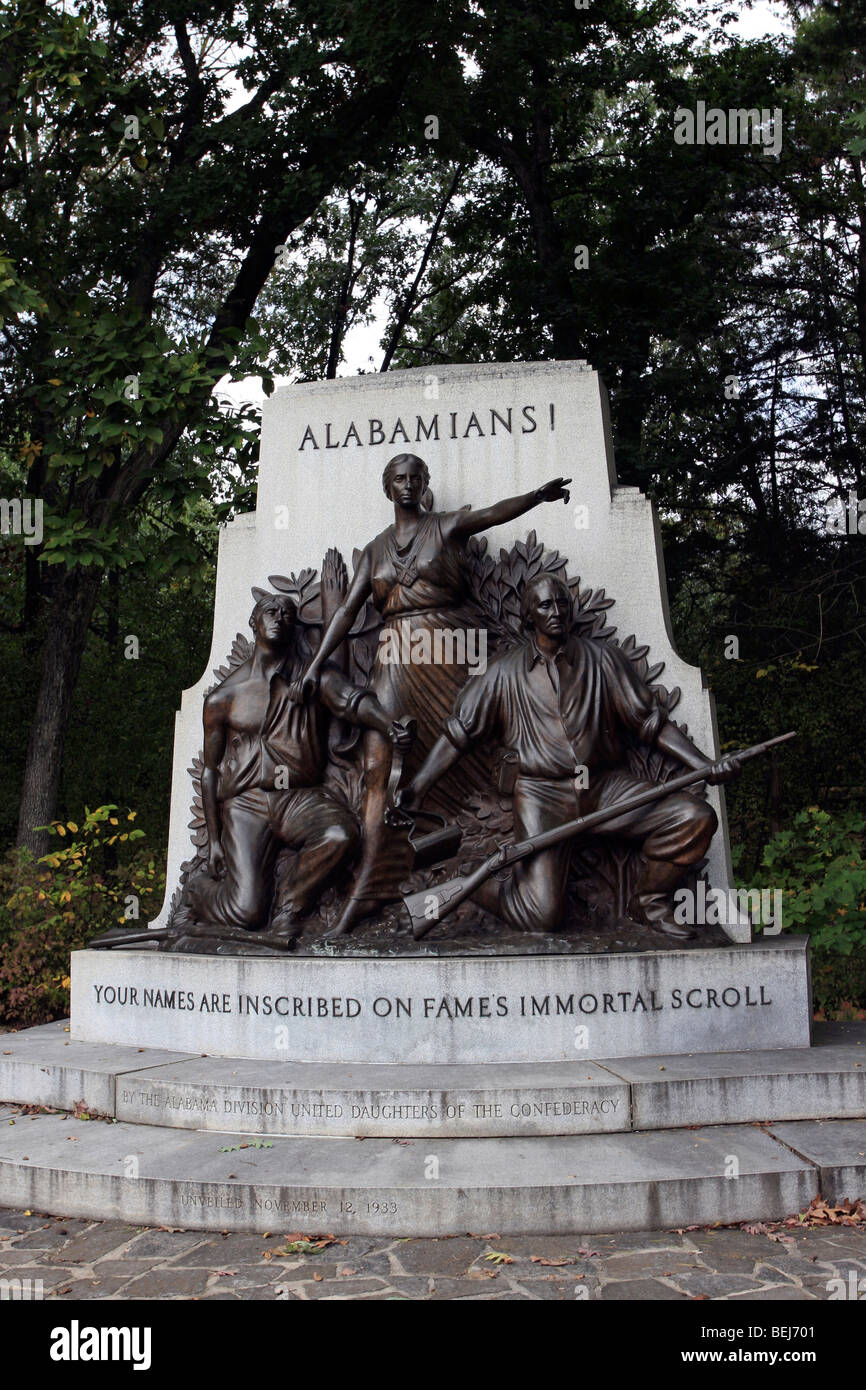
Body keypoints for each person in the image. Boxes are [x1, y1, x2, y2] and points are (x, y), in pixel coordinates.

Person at [292, 453, 571, 936]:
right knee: (379, 768)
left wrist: (536, 497)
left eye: (415, 478)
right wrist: (315, 666)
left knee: (467, 750)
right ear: (388, 488)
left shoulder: (445, 527)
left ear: (424, 485)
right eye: (399, 479)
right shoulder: (374, 550)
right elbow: (346, 613)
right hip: (395, 658)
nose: (408, 485)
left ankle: (468, 867)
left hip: (450, 649)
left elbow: (493, 514)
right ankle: (368, 888)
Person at [397, 572, 740, 938]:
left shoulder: (603, 660)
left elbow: (650, 723)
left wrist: (705, 765)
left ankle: (649, 902)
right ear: (529, 616)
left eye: (562, 603)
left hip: (604, 787)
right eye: (545, 605)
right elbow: (457, 736)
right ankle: (472, 884)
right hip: (542, 795)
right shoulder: (502, 672)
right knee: (540, 916)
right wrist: (417, 787)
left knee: (694, 817)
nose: (557, 612)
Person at [183, 588, 413, 939]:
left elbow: (352, 701)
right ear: (254, 623)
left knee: (339, 834)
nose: (280, 618)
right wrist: (214, 840)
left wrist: (388, 726)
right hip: (247, 803)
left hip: (298, 797)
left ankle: (289, 910)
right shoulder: (223, 698)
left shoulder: (312, 675)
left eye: (287, 614)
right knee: (246, 912)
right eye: (271, 611)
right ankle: (196, 892)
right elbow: (210, 771)